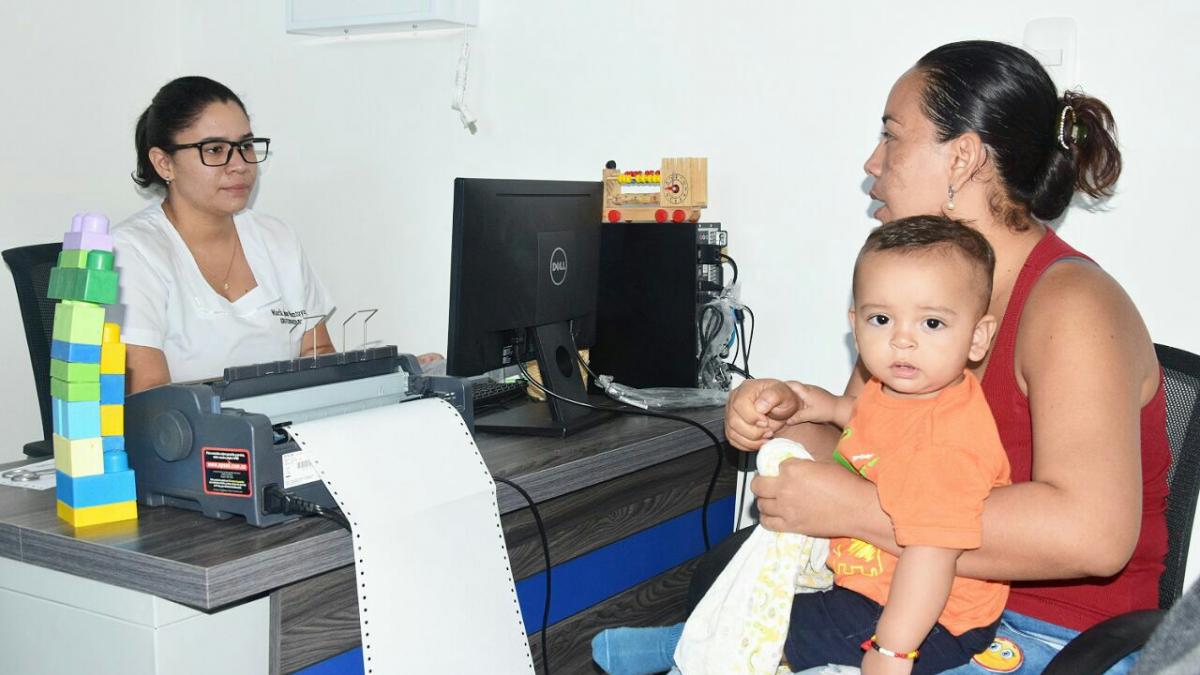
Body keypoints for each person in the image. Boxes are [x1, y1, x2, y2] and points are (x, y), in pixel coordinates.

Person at [596, 39, 1170, 674]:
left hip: (1043, 635)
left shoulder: (1072, 305)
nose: (872, 163)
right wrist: (782, 422)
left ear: (964, 157)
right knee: (721, 593)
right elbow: (862, 449)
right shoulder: (911, 302)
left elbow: (1090, 534)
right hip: (898, 593)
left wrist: (858, 512)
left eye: (893, 137)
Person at [598, 216, 1012, 675]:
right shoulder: (901, 390)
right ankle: (696, 639)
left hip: (935, 619)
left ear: (977, 337)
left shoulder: (949, 442)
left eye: (932, 322)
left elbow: (933, 554)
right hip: (871, 582)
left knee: (778, 628)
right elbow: (860, 416)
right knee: (748, 585)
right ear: (855, 326)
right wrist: (802, 401)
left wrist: (893, 652)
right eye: (881, 319)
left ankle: (684, 651)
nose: (902, 339)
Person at [113, 76, 437, 393]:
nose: (239, 164)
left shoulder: (275, 238)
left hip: (282, 436)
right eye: (214, 150)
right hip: (193, 441)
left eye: (245, 145)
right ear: (163, 163)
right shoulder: (131, 252)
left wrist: (391, 378)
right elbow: (149, 396)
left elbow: (318, 355)